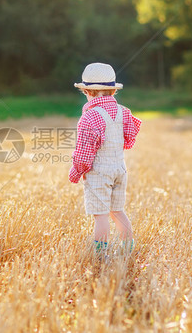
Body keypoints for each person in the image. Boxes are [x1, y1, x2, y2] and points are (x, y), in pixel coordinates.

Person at [69, 62, 142, 254]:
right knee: (117, 211)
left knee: (100, 216)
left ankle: (100, 254)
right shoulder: (124, 112)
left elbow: (85, 154)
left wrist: (76, 172)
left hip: (99, 173)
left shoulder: (90, 117)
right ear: (112, 91)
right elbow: (129, 139)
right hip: (120, 169)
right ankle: (128, 248)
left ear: (87, 91)